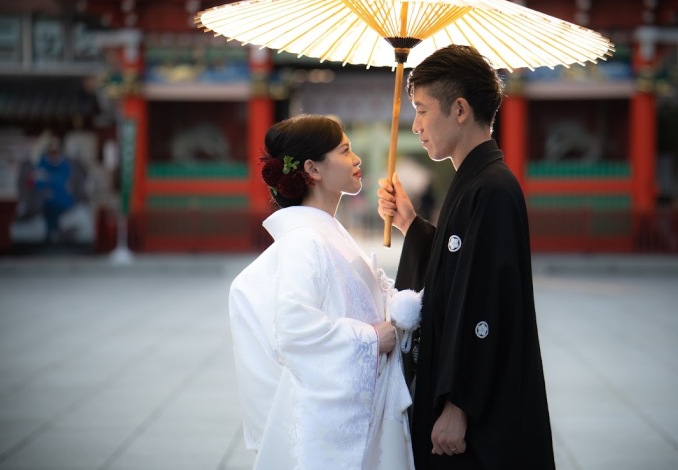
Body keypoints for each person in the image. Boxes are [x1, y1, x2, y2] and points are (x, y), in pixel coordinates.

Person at [377, 45, 555, 469]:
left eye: (422, 110)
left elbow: (484, 304)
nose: (416, 125)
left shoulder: (491, 187)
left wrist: (458, 405)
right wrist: (412, 226)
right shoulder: (474, 179)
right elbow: (460, 266)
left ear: (459, 109)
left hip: (477, 405)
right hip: (465, 392)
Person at [229, 115, 414, 469]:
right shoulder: (305, 242)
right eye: (345, 150)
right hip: (328, 430)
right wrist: (372, 338)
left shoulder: (326, 234)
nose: (357, 159)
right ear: (312, 169)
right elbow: (295, 330)